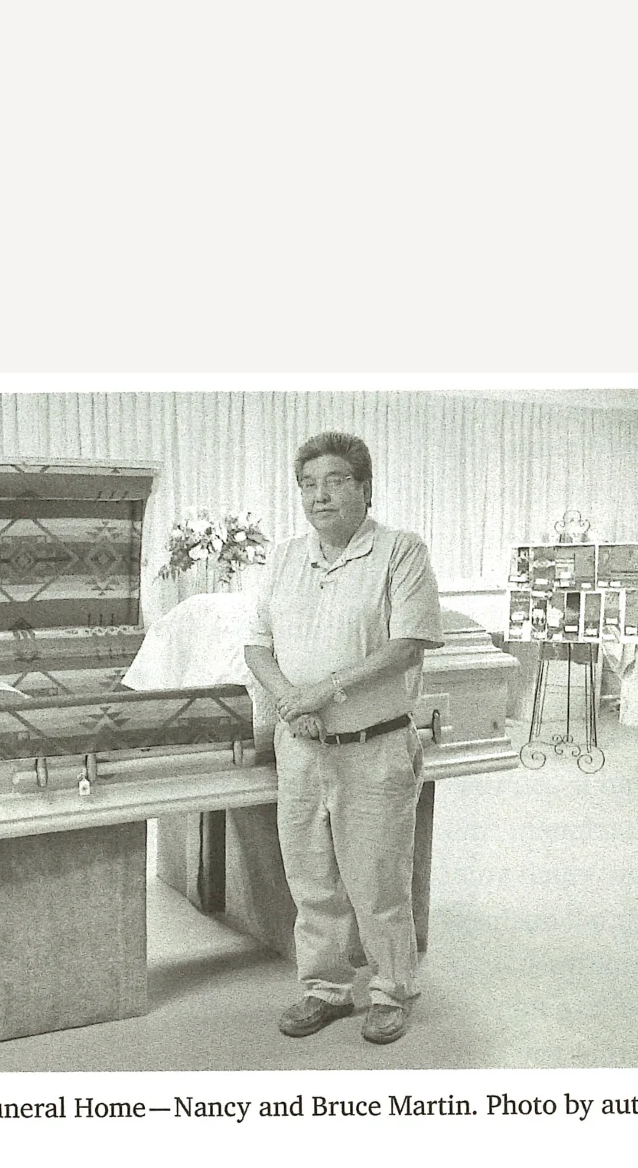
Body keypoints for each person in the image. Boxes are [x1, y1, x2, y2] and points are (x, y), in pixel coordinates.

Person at [243, 432, 444, 1045]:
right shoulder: (282, 558)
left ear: (363, 486)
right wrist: (288, 700)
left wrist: (319, 692)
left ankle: (390, 990)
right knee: (312, 880)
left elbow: (405, 644)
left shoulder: (399, 553)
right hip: (300, 748)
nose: (319, 496)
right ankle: (324, 987)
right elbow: (257, 647)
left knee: (379, 881)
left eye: (334, 481)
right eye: (308, 485)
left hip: (374, 747)